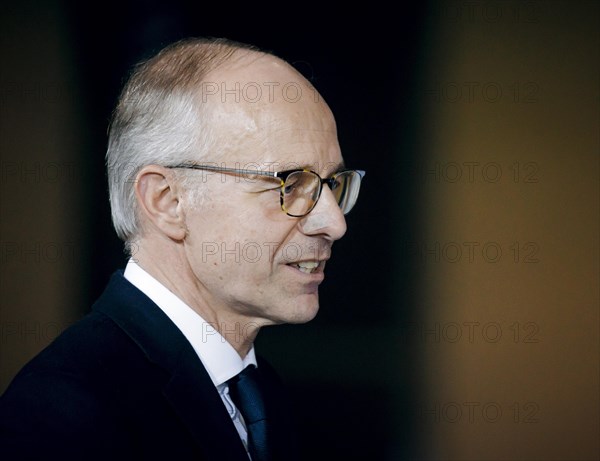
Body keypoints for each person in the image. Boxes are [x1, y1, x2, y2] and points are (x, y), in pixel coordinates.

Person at [0, 37, 365, 460]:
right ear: (167, 201)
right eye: (291, 184)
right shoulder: (62, 416)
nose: (334, 223)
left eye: (332, 185)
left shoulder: (263, 394)